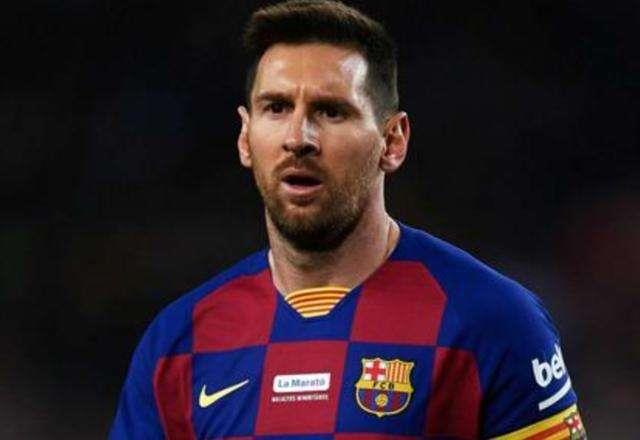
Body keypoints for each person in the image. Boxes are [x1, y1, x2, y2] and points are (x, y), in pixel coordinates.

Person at [110, 1, 586, 438]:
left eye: (331, 111)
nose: (299, 138)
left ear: (393, 141)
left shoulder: (494, 323)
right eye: (276, 108)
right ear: (244, 137)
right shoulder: (178, 344)